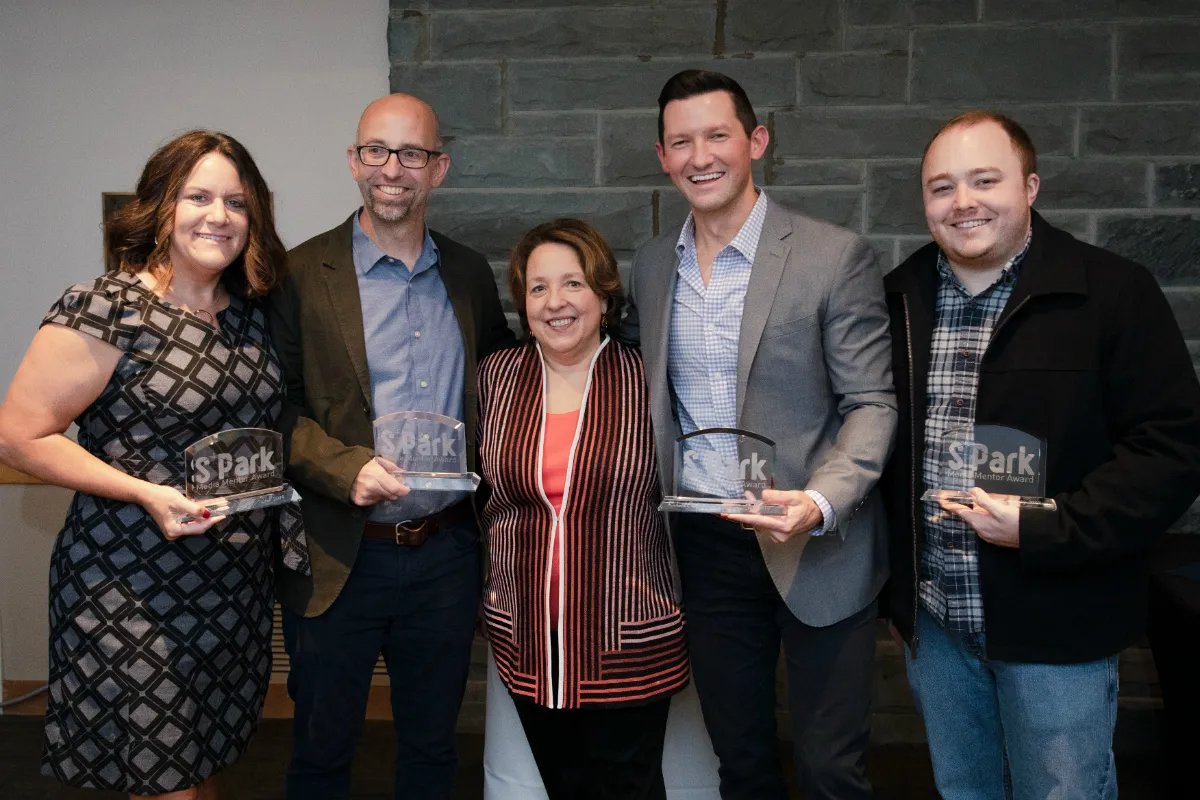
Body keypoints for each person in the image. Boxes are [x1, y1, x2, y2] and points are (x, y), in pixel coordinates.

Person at [880, 110, 1200, 800]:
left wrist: (1046, 526)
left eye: (984, 180)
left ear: (1030, 187)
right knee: (965, 791)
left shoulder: (1111, 292)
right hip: (938, 623)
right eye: (941, 187)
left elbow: (1172, 448)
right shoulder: (900, 298)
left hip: (1058, 625)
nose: (962, 202)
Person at [621, 69, 896, 800]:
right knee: (740, 764)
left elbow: (872, 402)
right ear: (662, 156)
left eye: (717, 135)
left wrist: (819, 501)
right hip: (707, 542)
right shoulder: (652, 267)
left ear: (757, 141)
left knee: (830, 769)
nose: (699, 156)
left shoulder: (833, 255)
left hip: (816, 541)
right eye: (681, 141)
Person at [0, 130, 296, 799]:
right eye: (198, 196)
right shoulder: (108, 306)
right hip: (129, 585)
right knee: (161, 775)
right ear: (161, 206)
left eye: (237, 202)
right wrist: (145, 494)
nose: (218, 215)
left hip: (231, 585)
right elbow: (18, 437)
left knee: (202, 759)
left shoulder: (251, 316)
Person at [266, 93, 515, 800]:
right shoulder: (297, 276)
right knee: (320, 751)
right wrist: (347, 470)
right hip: (340, 555)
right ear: (354, 161)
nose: (392, 170)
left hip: (445, 555)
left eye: (413, 154)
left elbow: (499, 389)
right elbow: (273, 409)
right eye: (376, 150)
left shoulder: (468, 276)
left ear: (439, 168)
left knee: (434, 749)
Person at [476, 218, 689, 799]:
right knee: (564, 788)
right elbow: (482, 497)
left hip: (627, 638)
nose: (555, 302)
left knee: (630, 790)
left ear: (602, 291)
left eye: (572, 283)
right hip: (530, 639)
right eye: (538, 287)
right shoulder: (497, 377)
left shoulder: (646, 376)